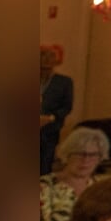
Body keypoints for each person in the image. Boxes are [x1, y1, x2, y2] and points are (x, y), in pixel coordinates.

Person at [40, 126, 110, 221]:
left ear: (100, 158)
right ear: (66, 155)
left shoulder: (103, 187)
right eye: (79, 154)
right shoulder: (45, 186)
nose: (86, 160)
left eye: (93, 154)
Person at [39, 43, 74, 175]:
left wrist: (50, 118)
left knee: (44, 167)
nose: (46, 59)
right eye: (42, 55)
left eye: (51, 56)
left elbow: (67, 106)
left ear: (58, 59)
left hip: (50, 130)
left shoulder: (64, 82)